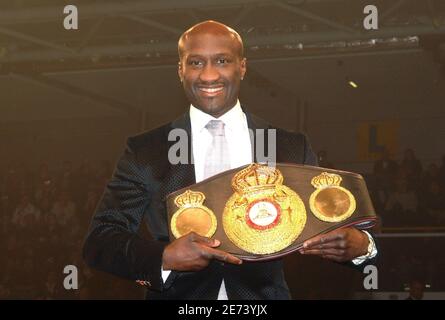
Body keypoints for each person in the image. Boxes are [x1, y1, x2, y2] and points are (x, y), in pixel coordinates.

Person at [83, 20, 377, 300]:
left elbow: (332, 231)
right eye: (196, 62)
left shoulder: (287, 146)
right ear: (180, 70)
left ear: (243, 67)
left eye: (222, 61)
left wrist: (360, 247)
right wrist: (164, 257)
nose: (209, 75)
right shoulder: (146, 150)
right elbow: (101, 240)